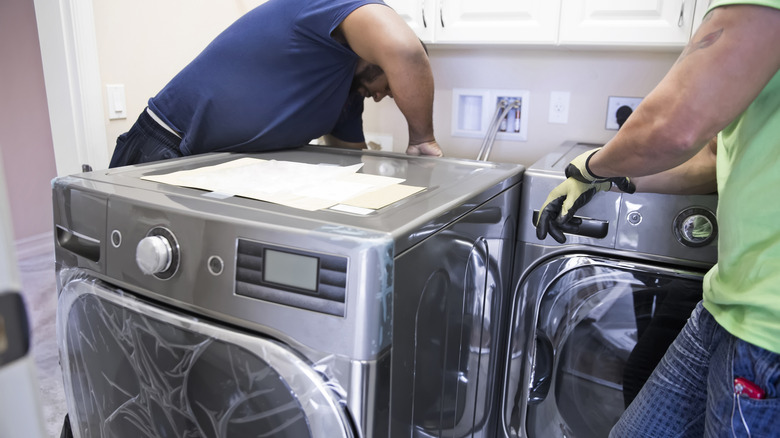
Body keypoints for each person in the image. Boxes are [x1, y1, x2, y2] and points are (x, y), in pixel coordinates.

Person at [535, 0, 780, 436]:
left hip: (769, 331)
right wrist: (606, 182)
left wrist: (591, 166)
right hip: (727, 301)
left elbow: (674, 124)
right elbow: (708, 157)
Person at [108, 0, 442, 168]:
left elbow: (348, 161)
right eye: (391, 86)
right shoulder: (327, 7)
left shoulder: (347, 97)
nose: (383, 96)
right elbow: (406, 51)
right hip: (166, 146)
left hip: (224, 171)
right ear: (378, 55)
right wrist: (422, 138)